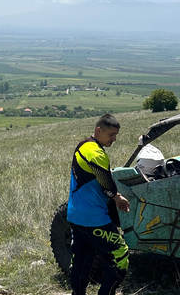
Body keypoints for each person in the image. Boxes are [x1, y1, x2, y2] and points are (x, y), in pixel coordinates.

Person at [67, 114, 130, 295]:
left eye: (116, 135)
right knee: (121, 256)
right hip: (94, 218)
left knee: (81, 260)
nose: (114, 139)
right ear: (98, 130)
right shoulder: (96, 153)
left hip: (75, 215)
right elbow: (106, 184)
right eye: (111, 135)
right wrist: (117, 197)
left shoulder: (83, 145)